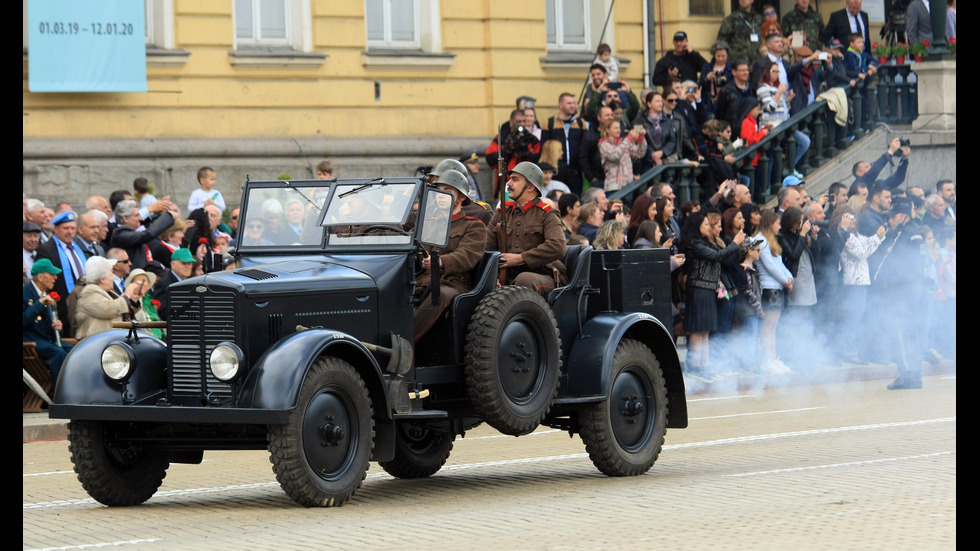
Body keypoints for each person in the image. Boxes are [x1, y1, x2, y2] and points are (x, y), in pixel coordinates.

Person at [413, 169, 489, 342]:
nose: (441, 195)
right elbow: (410, 243)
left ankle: (404, 343)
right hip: (420, 281)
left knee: (441, 295)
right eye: (439, 190)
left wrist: (440, 262)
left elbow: (467, 255)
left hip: (452, 282)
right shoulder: (427, 223)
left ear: (461, 197)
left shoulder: (473, 226)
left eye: (447, 191)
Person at [682, 211, 745, 382]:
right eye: (705, 224)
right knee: (698, 329)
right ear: (697, 226)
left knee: (706, 329)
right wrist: (735, 243)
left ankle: (705, 365)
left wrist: (738, 246)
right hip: (698, 289)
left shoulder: (704, 242)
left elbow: (723, 257)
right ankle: (695, 366)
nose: (708, 227)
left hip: (708, 289)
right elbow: (717, 256)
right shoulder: (694, 244)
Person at [486, 162, 567, 294]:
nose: (509, 184)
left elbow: (558, 246)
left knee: (525, 279)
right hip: (506, 275)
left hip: (541, 274)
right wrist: (490, 277)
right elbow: (486, 246)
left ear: (530, 186)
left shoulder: (547, 213)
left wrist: (521, 258)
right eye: (510, 179)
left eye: (515, 179)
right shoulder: (502, 213)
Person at [35, 210, 89, 338]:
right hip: (62, 303)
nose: (70, 231)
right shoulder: (46, 249)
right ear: (56, 229)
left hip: (82, 300)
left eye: (72, 228)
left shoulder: (78, 247)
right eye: (66, 228)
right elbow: (42, 280)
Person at [754, 208, 794, 373]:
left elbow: (780, 263)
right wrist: (785, 281)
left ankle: (773, 357)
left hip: (777, 286)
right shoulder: (759, 240)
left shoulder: (771, 240)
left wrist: (790, 277)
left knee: (774, 325)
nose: (780, 226)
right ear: (770, 224)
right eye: (778, 223)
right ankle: (766, 360)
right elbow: (769, 266)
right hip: (769, 287)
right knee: (768, 325)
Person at [756, 59, 811, 179]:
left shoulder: (777, 89)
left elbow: (782, 110)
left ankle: (788, 167)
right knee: (771, 156)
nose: (777, 74)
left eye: (778, 71)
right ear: (767, 72)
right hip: (771, 127)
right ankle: (772, 181)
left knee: (804, 141)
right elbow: (769, 107)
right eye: (774, 71)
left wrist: (787, 101)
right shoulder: (762, 88)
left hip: (783, 124)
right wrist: (779, 94)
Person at [23, 258, 75, 383]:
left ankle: (78, 389)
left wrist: (57, 328)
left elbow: (48, 328)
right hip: (29, 341)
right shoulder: (25, 293)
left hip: (44, 340)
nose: (55, 277)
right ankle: (61, 395)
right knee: (57, 353)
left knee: (76, 350)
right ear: (40, 277)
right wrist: (39, 303)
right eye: (52, 274)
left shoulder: (46, 295)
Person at [73, 256, 147, 341]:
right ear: (102, 279)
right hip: (95, 344)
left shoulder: (109, 292)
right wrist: (126, 295)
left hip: (110, 342)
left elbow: (123, 310)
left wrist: (133, 299)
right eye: (112, 274)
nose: (113, 278)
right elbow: (108, 309)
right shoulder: (89, 292)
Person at [541, 92, 587, 194]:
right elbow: (545, 147)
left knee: (575, 200)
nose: (573, 106)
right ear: (561, 105)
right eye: (569, 103)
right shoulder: (549, 123)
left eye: (574, 103)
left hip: (575, 171)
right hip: (556, 171)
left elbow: (584, 147)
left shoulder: (580, 123)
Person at [110, 199, 175, 270]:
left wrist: (158, 213)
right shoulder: (120, 235)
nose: (140, 218)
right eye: (136, 215)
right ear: (125, 218)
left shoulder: (127, 233)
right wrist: (168, 215)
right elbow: (148, 234)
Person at [633, 91, 679, 172]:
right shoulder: (639, 121)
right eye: (657, 101)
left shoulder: (667, 120)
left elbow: (672, 140)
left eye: (661, 101)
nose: (661, 104)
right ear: (649, 104)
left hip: (665, 160)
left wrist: (662, 152)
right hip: (646, 162)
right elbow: (638, 141)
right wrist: (653, 154)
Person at [598, 119, 646, 193]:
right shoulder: (603, 144)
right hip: (614, 187)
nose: (619, 130)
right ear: (607, 130)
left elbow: (639, 153)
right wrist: (628, 139)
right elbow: (614, 156)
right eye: (615, 128)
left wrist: (641, 138)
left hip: (629, 186)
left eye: (619, 128)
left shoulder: (623, 142)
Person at [717, 1, 765, 67]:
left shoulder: (759, 19)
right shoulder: (731, 20)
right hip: (739, 65)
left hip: (758, 63)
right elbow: (721, 42)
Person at [579, 104, 616, 190]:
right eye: (607, 115)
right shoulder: (590, 135)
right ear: (599, 117)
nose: (610, 117)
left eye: (611, 115)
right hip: (598, 179)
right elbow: (583, 158)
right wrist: (592, 178)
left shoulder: (619, 135)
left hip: (616, 180)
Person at [715, 60, 756, 135]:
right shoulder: (726, 91)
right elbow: (720, 114)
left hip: (751, 132)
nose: (746, 73)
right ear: (734, 72)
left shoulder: (752, 89)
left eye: (747, 70)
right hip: (733, 133)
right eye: (742, 70)